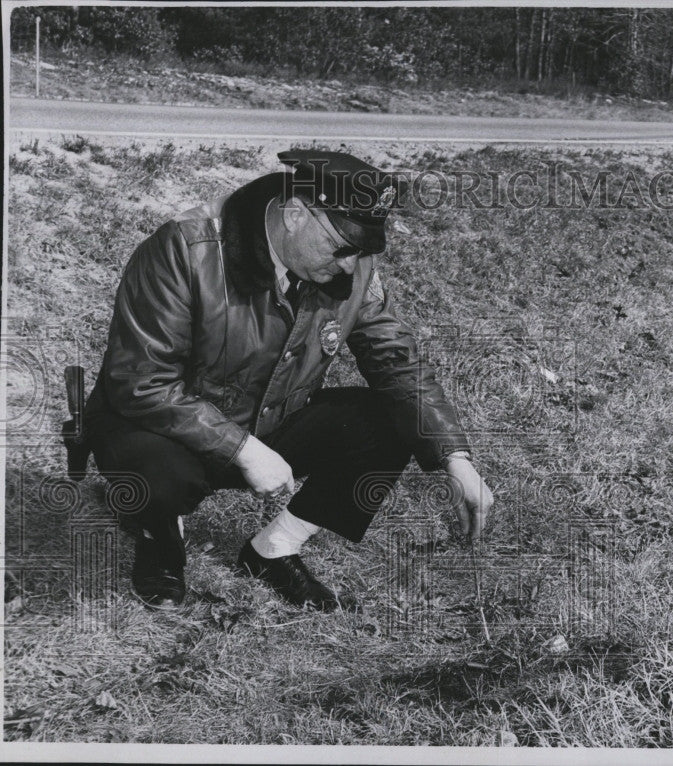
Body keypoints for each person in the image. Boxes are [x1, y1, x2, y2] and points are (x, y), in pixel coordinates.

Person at [83, 149, 493, 611]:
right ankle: (160, 535)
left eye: (361, 252)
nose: (349, 266)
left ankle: (273, 550)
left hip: (267, 420)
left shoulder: (350, 265)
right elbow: (142, 384)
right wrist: (242, 449)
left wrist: (454, 457)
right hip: (162, 425)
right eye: (341, 247)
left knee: (390, 419)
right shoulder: (184, 248)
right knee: (153, 472)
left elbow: (396, 362)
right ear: (296, 214)